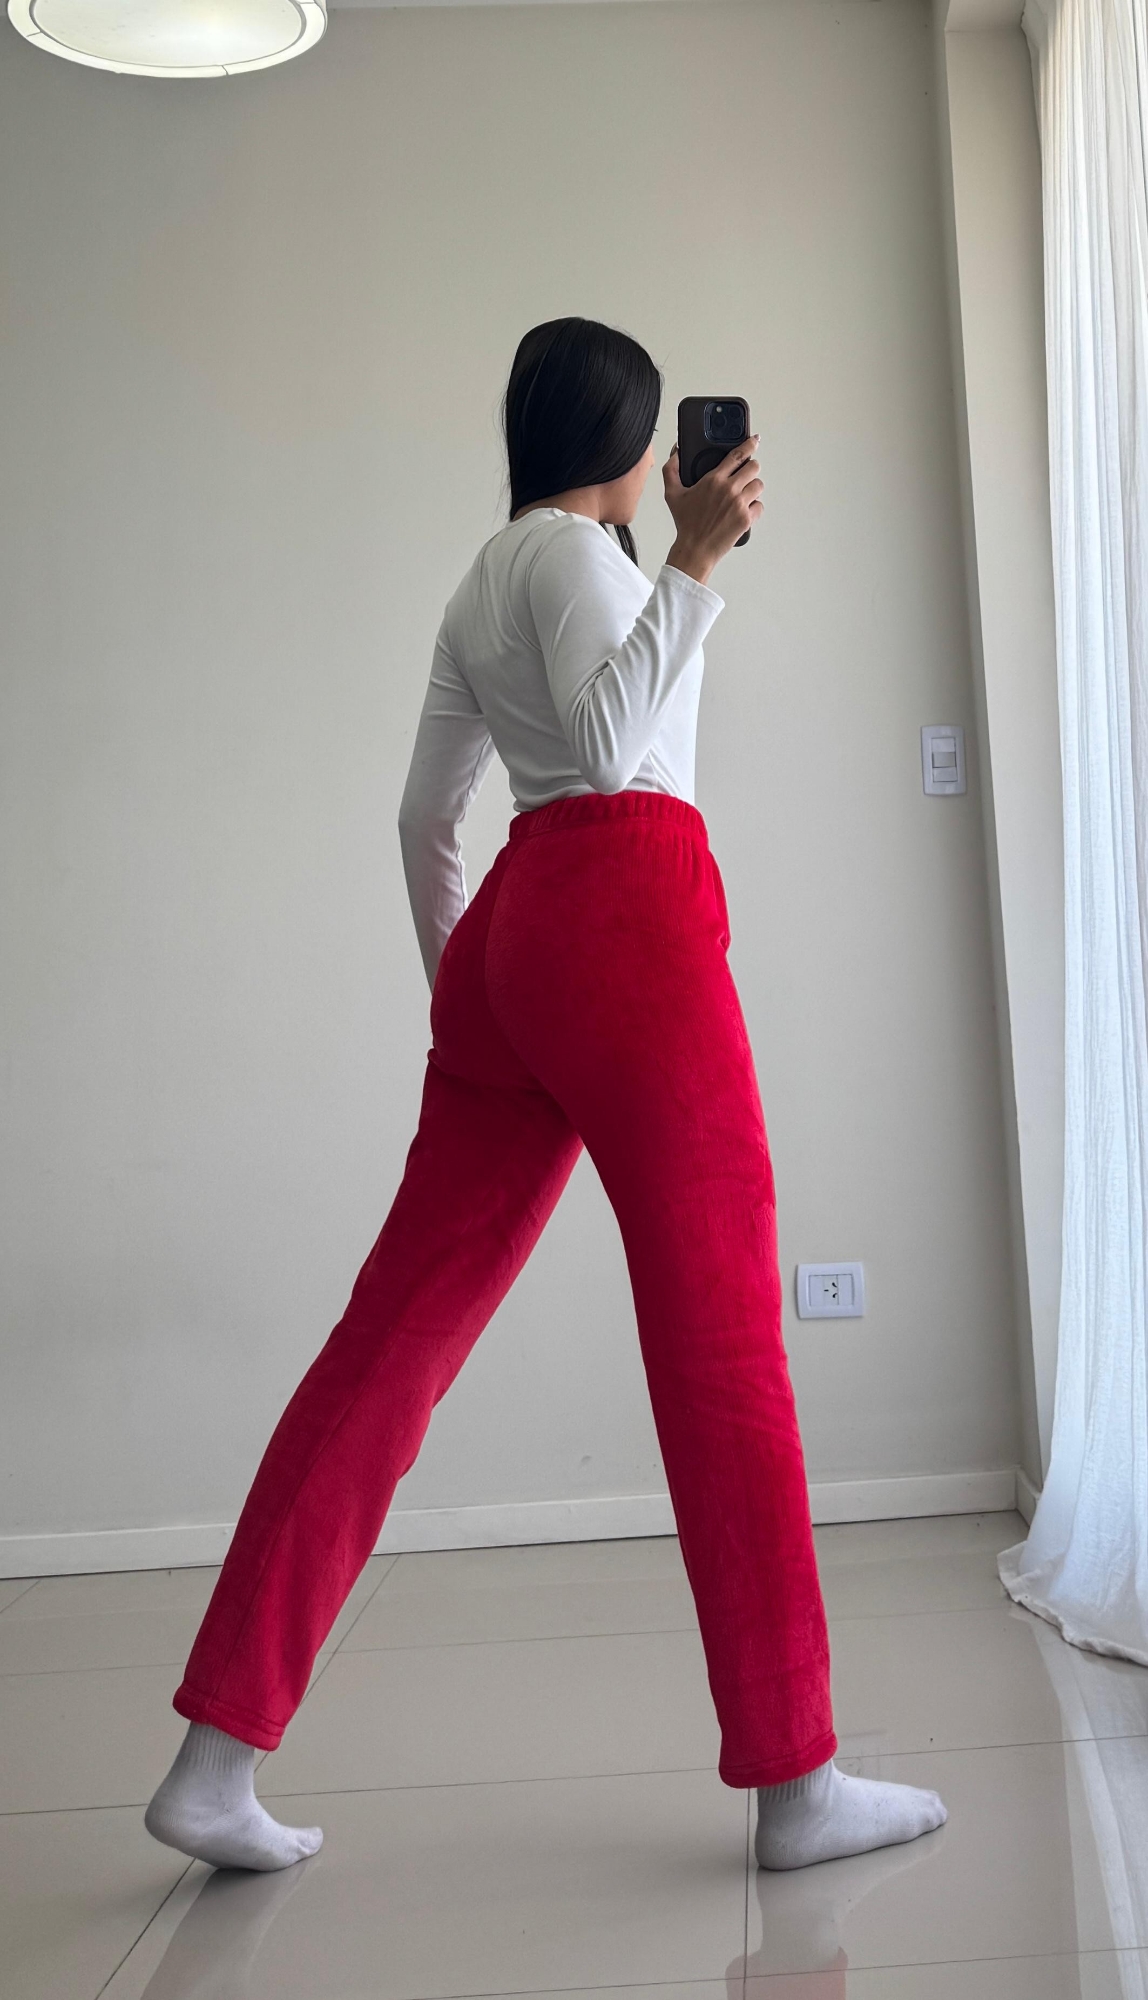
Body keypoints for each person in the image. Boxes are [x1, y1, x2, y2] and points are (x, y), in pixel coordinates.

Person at [145, 317, 948, 1875]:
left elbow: (422, 817)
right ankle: (797, 1781)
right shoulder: (585, 559)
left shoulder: (479, 577)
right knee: (722, 1342)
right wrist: (694, 564)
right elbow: (603, 744)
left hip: (516, 939)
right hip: (626, 911)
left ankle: (213, 1759)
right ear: (632, 444)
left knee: (390, 1344)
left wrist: (468, 988)